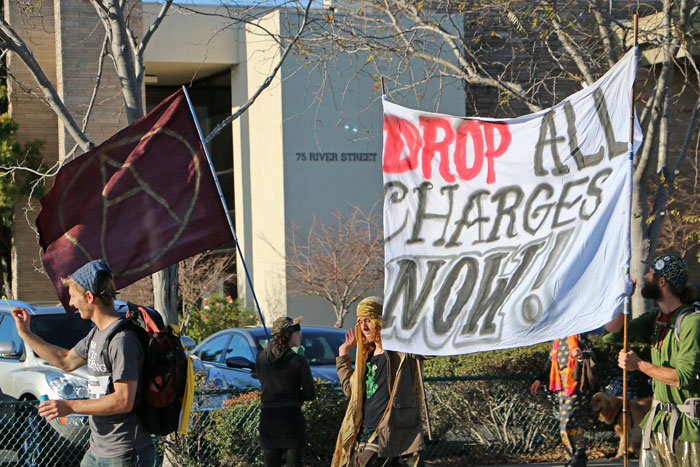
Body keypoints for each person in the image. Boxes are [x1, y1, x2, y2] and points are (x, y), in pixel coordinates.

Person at [12, 259, 154, 466]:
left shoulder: (122, 341)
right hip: (97, 450)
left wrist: (69, 406)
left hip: (125, 454)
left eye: (72, 296)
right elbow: (65, 361)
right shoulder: (97, 334)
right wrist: (26, 334)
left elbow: (123, 400)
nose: (71, 303)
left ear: (89, 297)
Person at [604, 254, 700, 466]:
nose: (645, 277)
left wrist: (638, 364)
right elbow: (612, 334)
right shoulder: (656, 319)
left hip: (689, 431)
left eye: (650, 273)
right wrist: (622, 299)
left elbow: (683, 378)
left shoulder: (692, 322)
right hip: (658, 425)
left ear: (662, 281)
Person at [332, 296, 427, 467]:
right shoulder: (366, 358)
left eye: (368, 320)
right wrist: (343, 354)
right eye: (360, 321)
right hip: (362, 435)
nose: (364, 327)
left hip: (384, 435)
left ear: (380, 321)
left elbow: (428, 351)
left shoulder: (401, 353)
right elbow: (350, 391)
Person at [255, 316, 316, 467]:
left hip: (268, 419)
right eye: (297, 332)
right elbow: (310, 393)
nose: (300, 335)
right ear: (287, 335)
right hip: (291, 419)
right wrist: (295, 397)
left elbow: (263, 382)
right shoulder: (298, 360)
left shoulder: (261, 358)